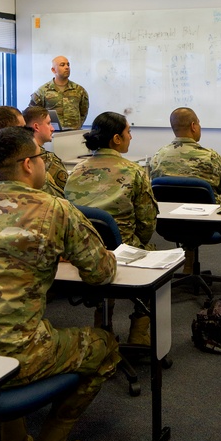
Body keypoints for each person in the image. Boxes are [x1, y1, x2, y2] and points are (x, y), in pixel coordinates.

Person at [0, 126, 119, 441]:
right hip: (18, 352)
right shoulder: (55, 209)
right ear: (28, 164)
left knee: (15, 330)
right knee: (105, 347)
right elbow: (99, 272)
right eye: (40, 158)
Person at [65, 111, 157, 344]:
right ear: (116, 138)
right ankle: (139, 332)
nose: (131, 137)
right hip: (122, 249)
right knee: (154, 256)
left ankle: (101, 327)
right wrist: (141, 243)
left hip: (83, 253)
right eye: (128, 132)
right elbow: (147, 222)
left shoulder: (75, 171)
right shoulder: (134, 171)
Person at [149, 106, 221, 285]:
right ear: (193, 126)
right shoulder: (209, 156)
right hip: (208, 225)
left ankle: (188, 265)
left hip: (170, 225)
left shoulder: (158, 156)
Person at [29, 55, 89, 130]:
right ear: (53, 70)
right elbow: (33, 113)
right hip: (52, 134)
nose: (67, 67)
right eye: (62, 65)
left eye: (68, 64)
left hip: (74, 133)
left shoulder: (79, 90)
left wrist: (77, 126)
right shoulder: (42, 91)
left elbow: (83, 112)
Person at [23, 105, 69, 197]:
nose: (52, 128)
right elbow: (68, 192)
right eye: (48, 123)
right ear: (36, 127)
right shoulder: (50, 160)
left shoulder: (15, 155)